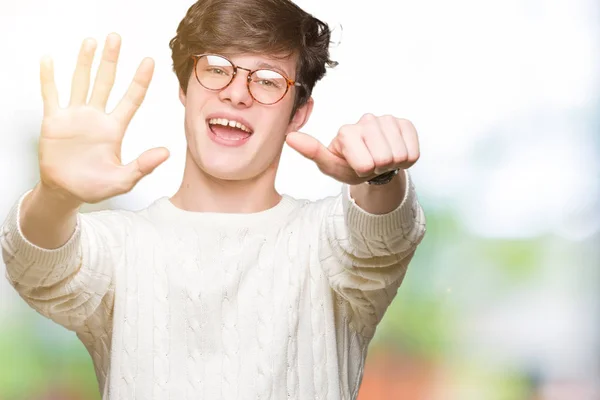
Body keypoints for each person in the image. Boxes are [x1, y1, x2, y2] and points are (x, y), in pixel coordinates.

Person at [0, 0, 426, 398]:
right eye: (218, 69)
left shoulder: (327, 245)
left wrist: (381, 177)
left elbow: (380, 239)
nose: (237, 94)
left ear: (298, 114)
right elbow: (41, 268)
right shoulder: (120, 248)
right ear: (185, 88)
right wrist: (55, 196)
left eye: (267, 80)